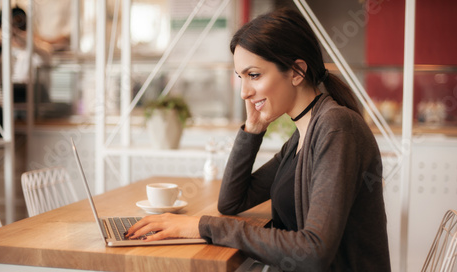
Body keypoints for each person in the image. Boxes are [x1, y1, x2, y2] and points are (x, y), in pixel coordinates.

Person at [126, 8, 391, 271]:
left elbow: (314, 252)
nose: (244, 92)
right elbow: (231, 202)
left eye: (254, 75)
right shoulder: (301, 136)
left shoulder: (335, 127)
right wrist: (253, 128)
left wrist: (201, 226)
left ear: (297, 71)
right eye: (241, 77)